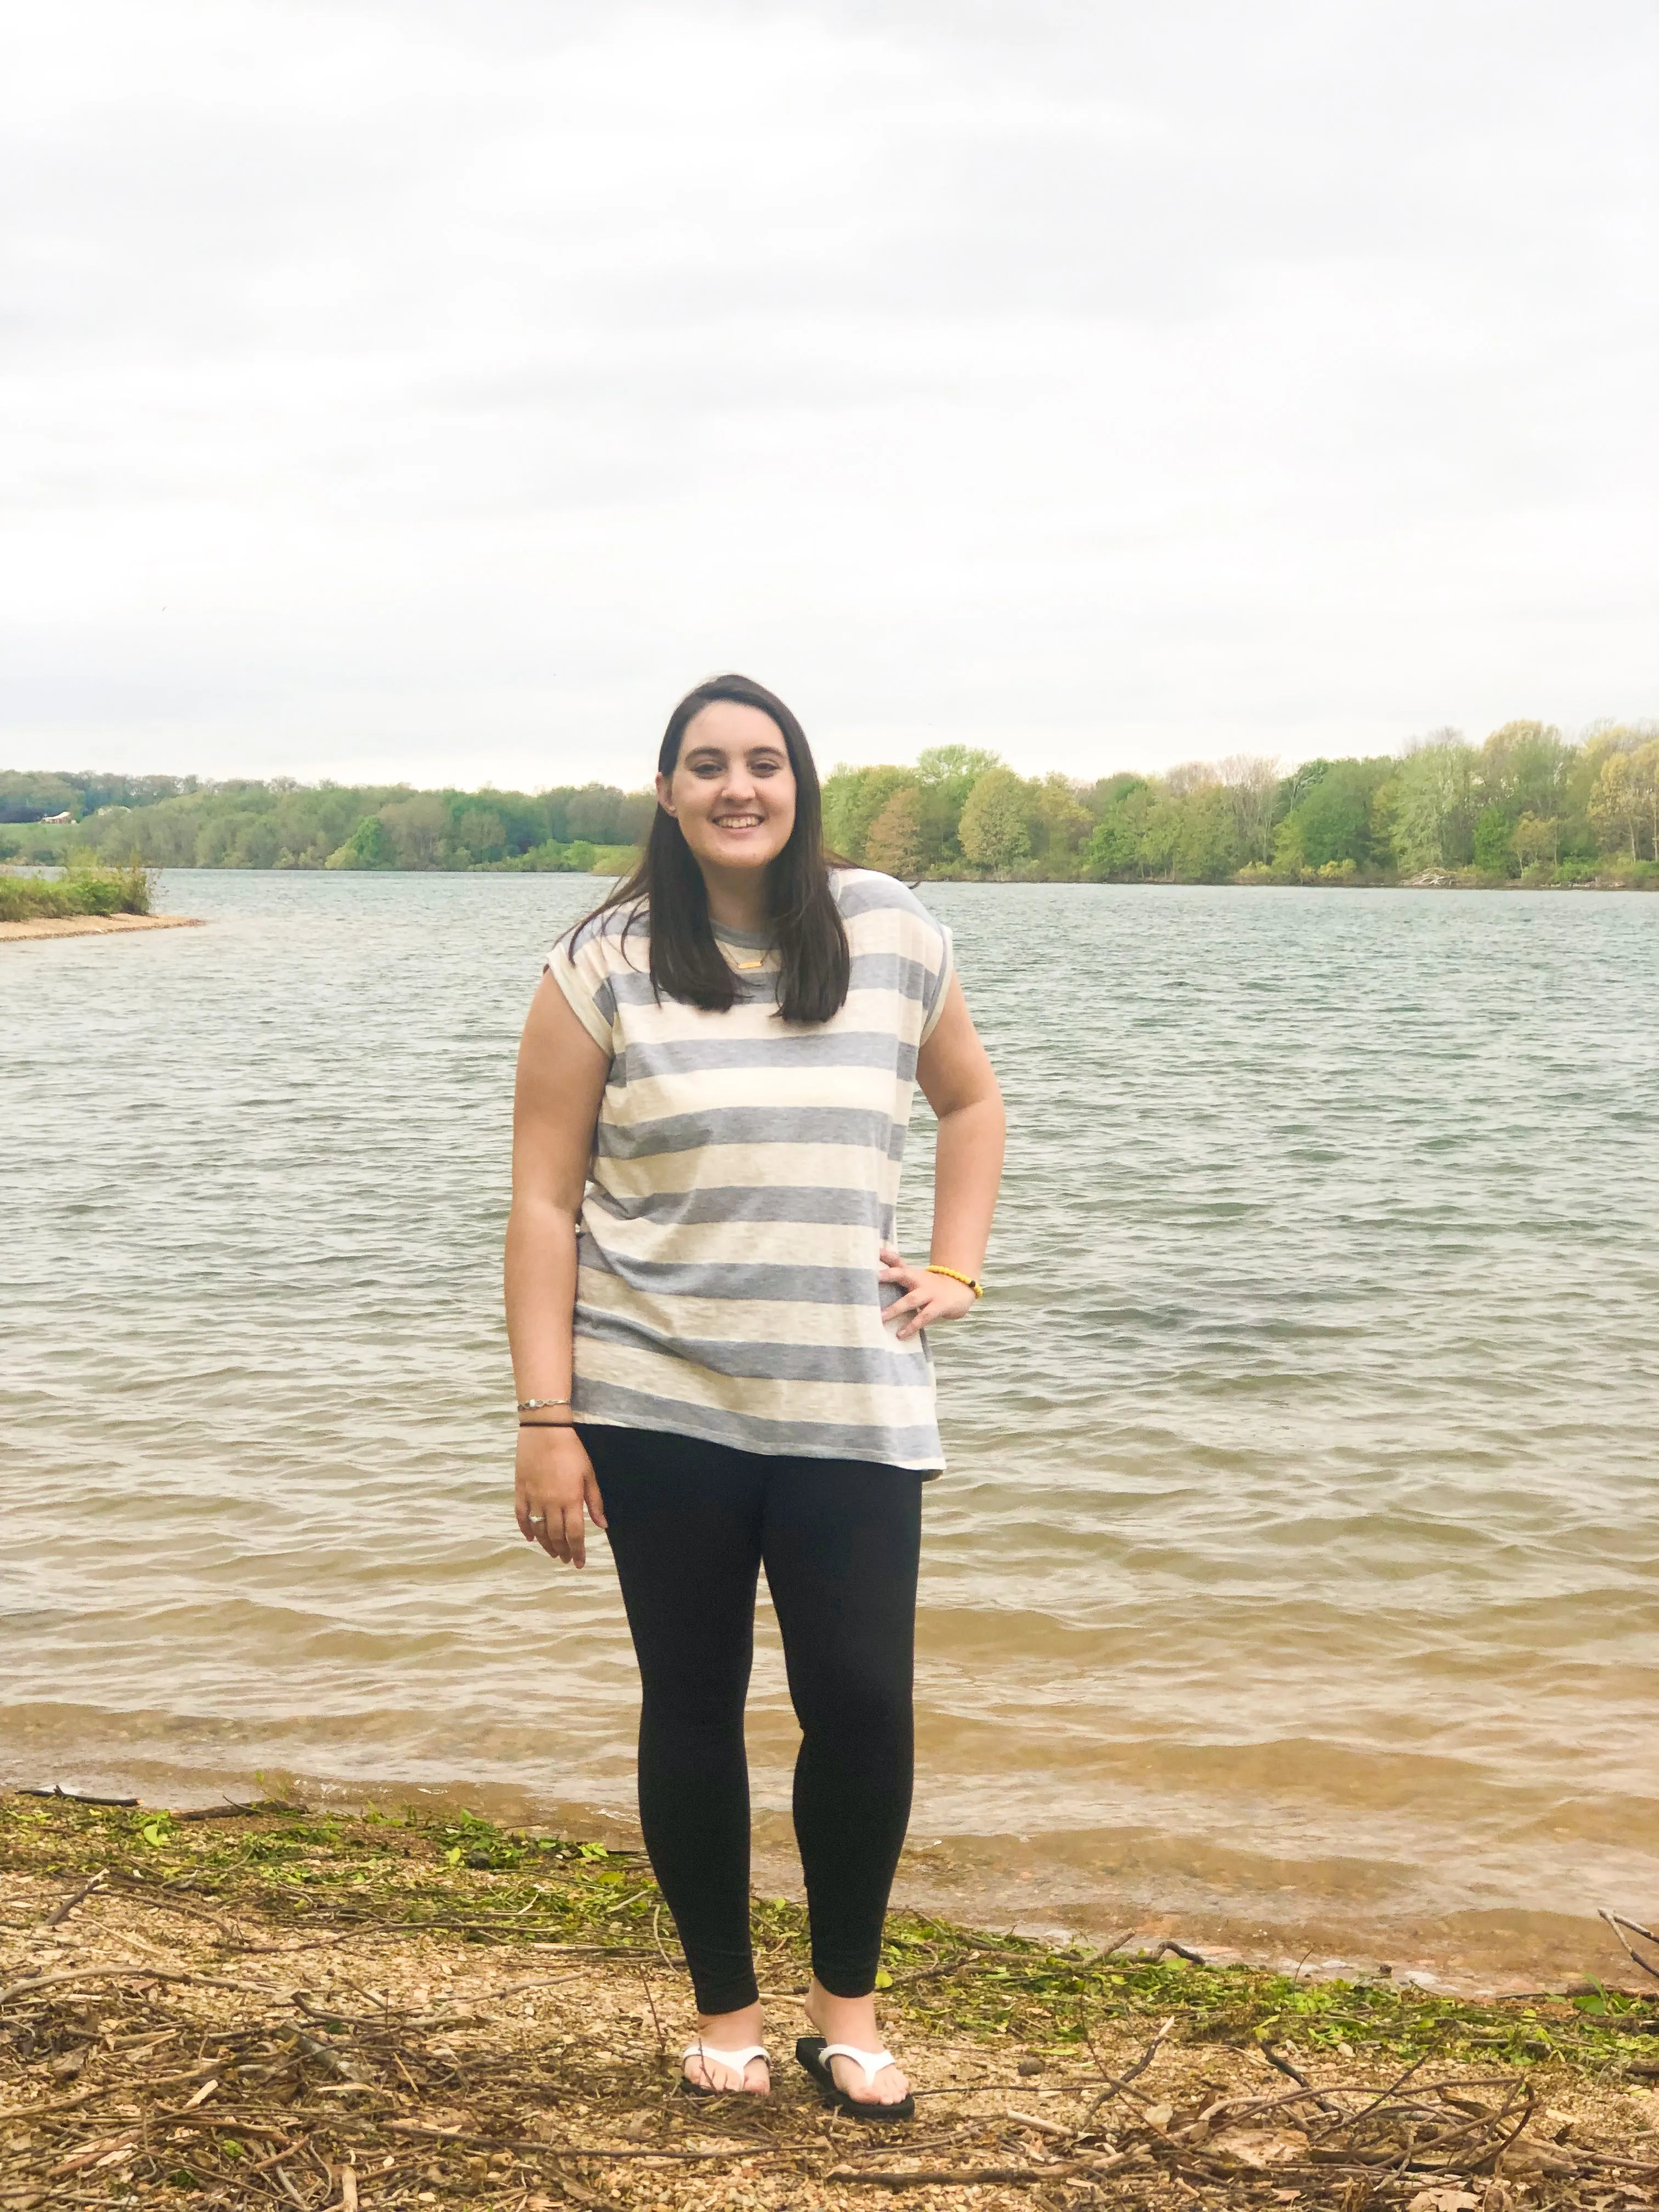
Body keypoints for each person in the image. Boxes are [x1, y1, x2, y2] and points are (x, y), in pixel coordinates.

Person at [504, 674, 1004, 2118]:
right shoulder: (598, 964)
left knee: (860, 1700)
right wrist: (547, 1420)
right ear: (667, 791)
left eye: (764, 763)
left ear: (800, 785)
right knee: (694, 1702)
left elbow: (972, 1099)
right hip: (658, 1401)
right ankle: (725, 2011)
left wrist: (959, 1268)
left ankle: (845, 2013)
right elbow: (543, 1205)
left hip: (855, 1399)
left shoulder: (892, 931)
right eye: (707, 765)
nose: (739, 787)